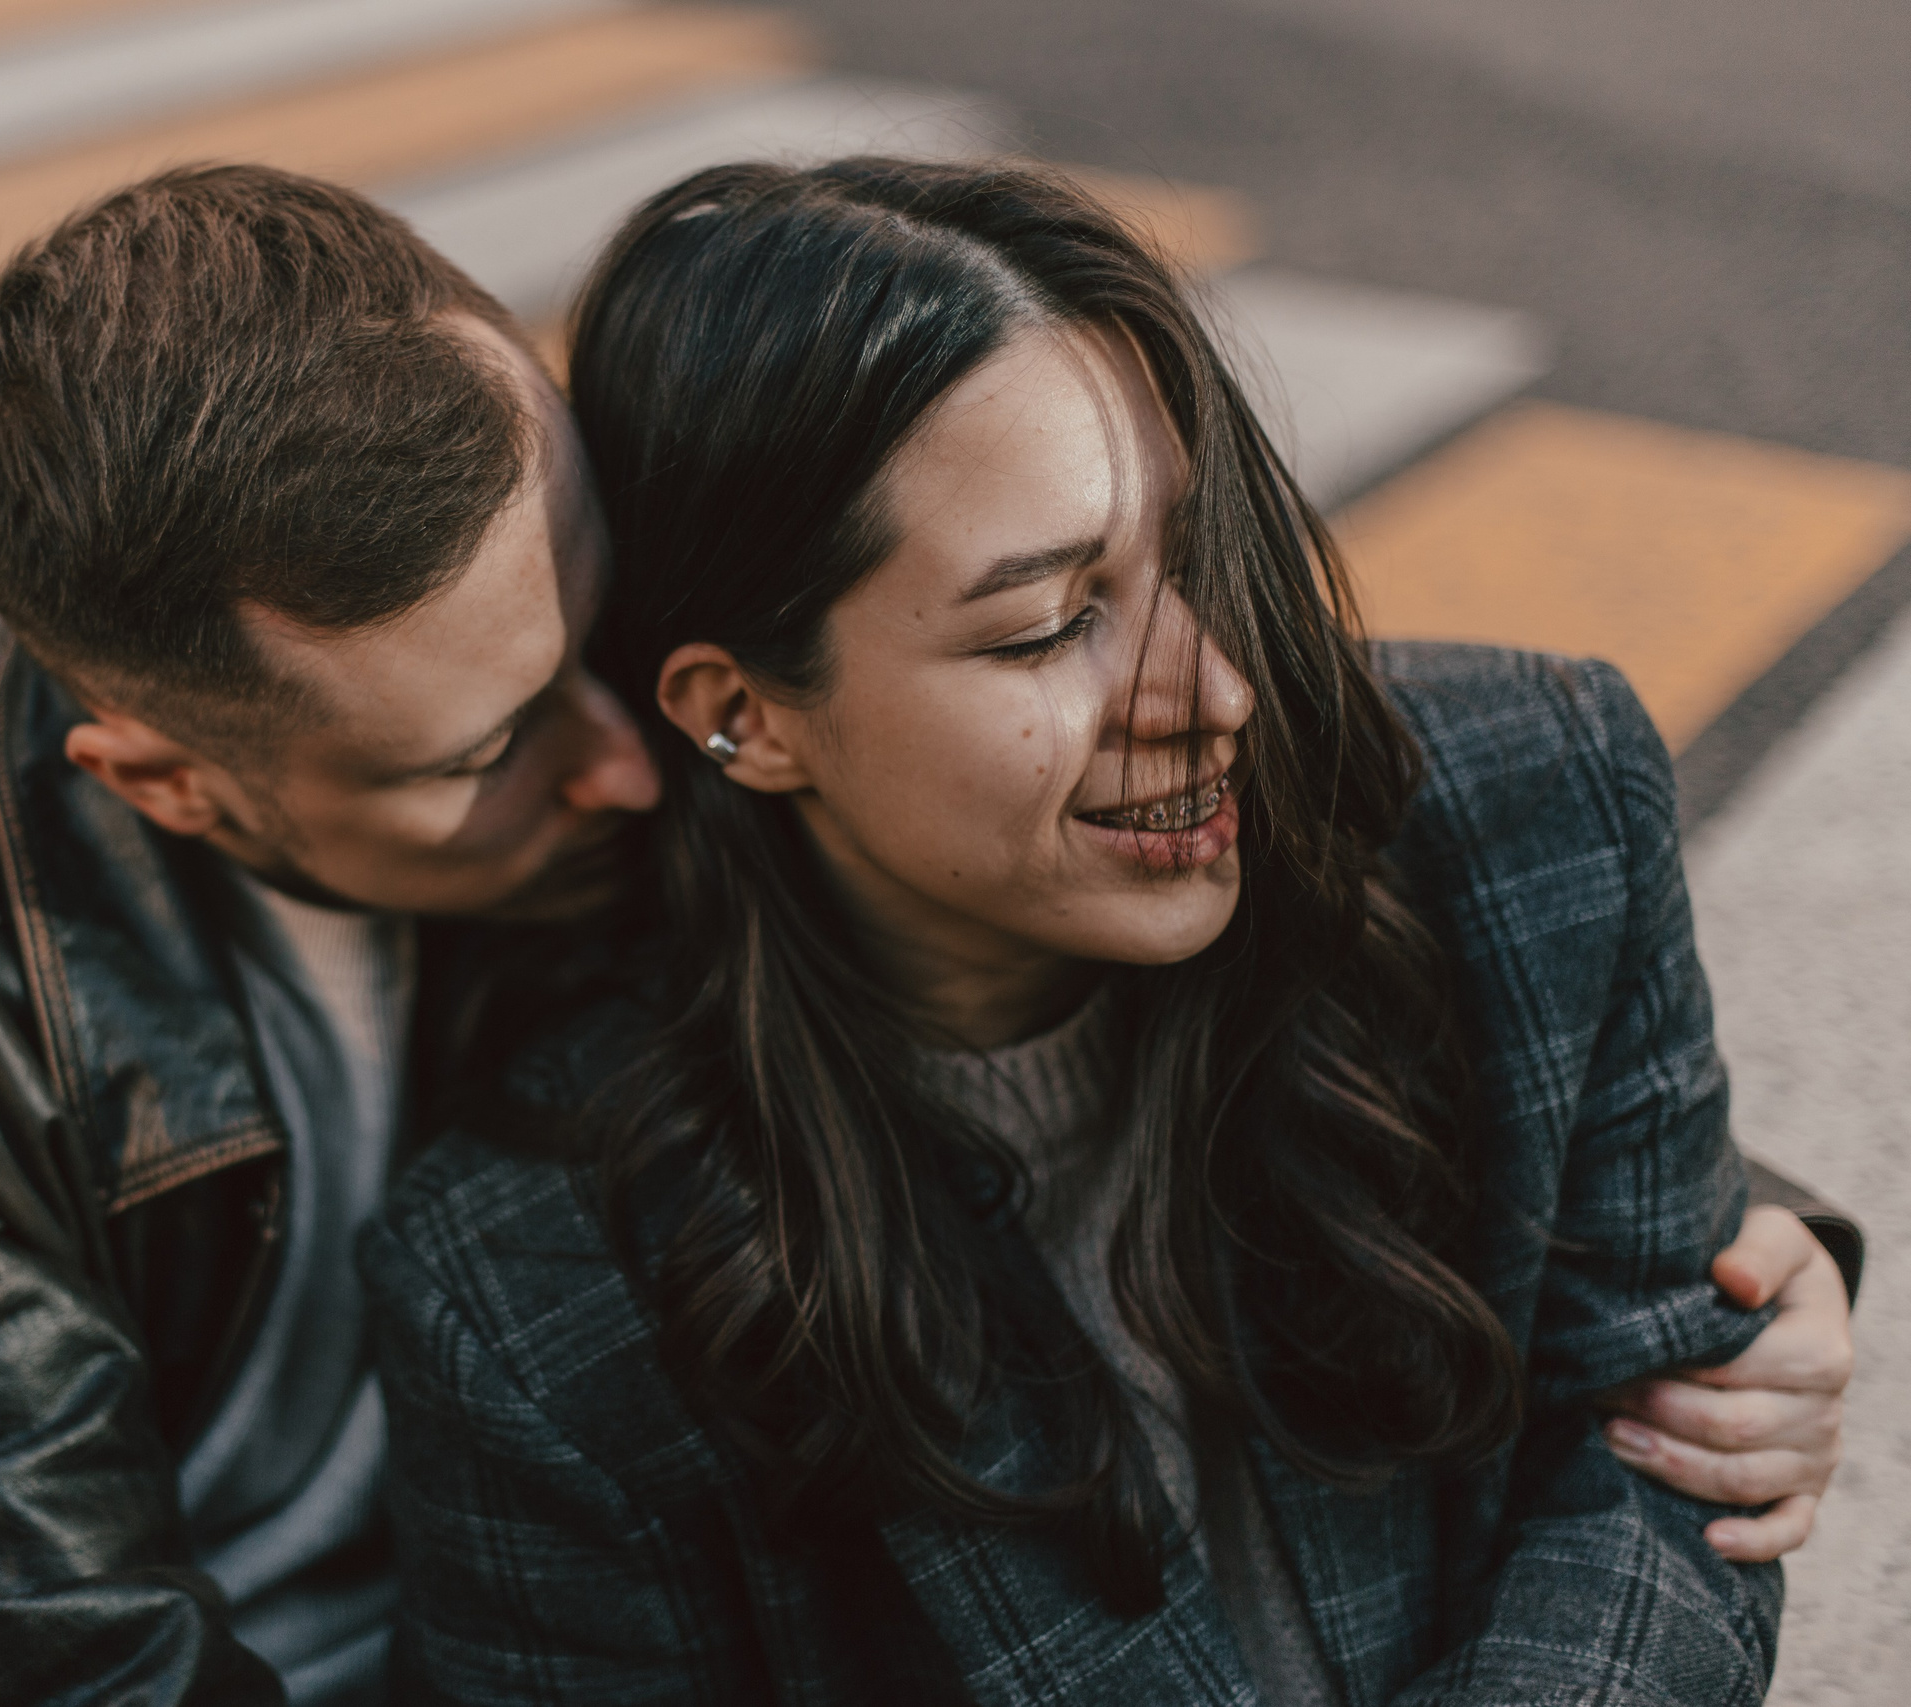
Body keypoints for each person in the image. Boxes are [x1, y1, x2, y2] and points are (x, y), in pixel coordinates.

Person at [0, 164, 1850, 1707]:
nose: (627, 773)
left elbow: (1345, 941)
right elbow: (39, 1672)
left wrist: (1738, 1237)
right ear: (173, 781)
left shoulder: (659, 683)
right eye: (480, 751)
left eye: (600, 635)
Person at [364, 158, 1858, 1705]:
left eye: (1191, 558)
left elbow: (1671, 1480)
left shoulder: (1530, 809)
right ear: (745, 714)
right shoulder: (541, 1294)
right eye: (1046, 626)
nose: (1208, 694)